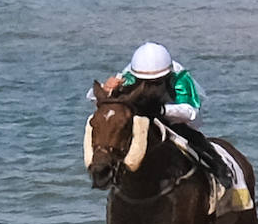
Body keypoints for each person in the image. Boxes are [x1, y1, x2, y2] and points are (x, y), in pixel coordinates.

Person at [95, 42, 231, 186]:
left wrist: (162, 110)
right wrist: (106, 89)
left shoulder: (179, 77)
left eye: (157, 82)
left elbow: (191, 112)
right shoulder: (128, 76)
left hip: (175, 121)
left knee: (194, 139)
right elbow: (102, 102)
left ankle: (221, 171)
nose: (150, 87)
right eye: (145, 82)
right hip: (140, 118)